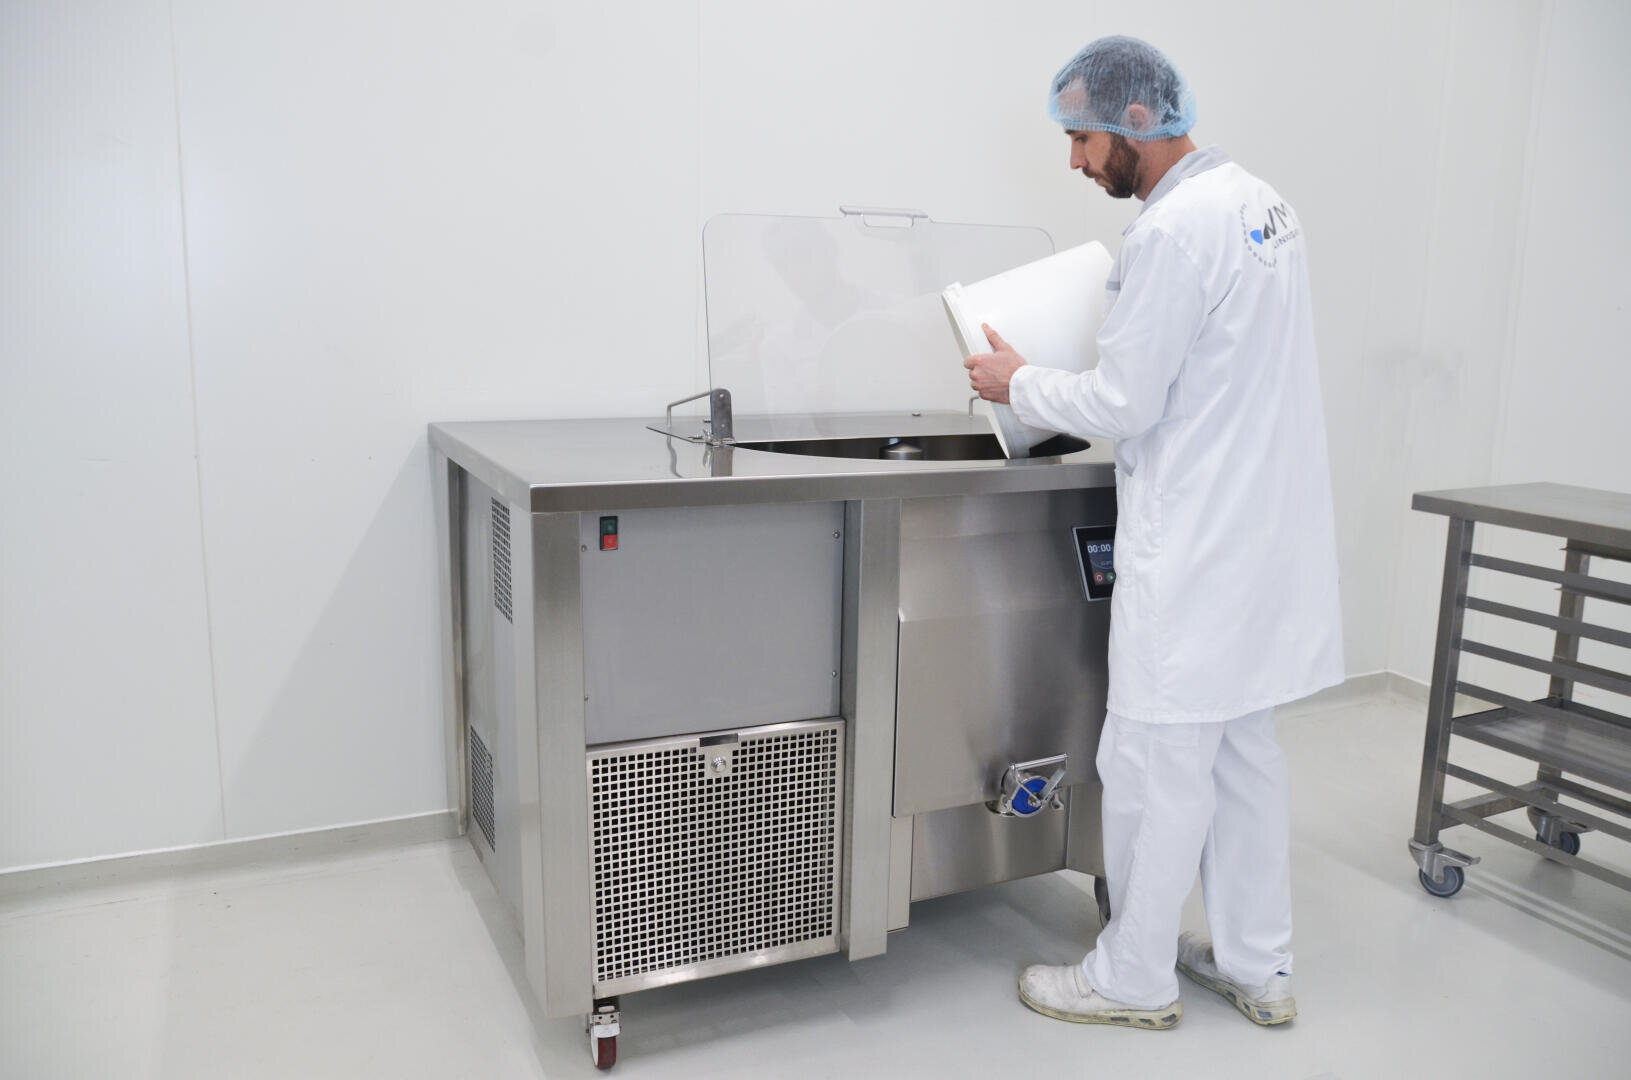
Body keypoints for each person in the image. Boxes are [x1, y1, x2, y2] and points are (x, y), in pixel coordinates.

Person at [964, 35, 1344, 1030]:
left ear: (1137, 122)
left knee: (1149, 768)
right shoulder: (1262, 205)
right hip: (1260, 542)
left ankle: (1130, 977)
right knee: (1242, 759)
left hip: (1197, 553)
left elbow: (1125, 400)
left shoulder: (1170, 235)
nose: (1075, 162)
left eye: (1081, 138)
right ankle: (1259, 966)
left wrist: (1017, 382)